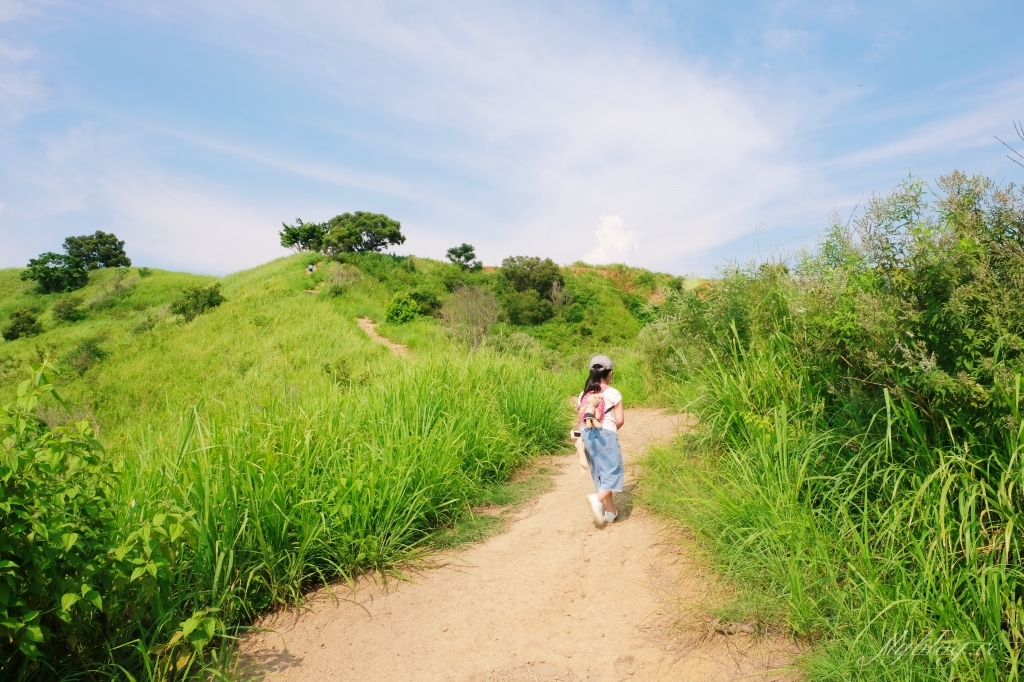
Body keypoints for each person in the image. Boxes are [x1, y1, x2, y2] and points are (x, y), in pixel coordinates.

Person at [578, 355, 624, 526]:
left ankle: (610, 511)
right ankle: (597, 500)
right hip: (606, 435)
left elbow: (582, 419)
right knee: (614, 471)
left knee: (600, 473)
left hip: (587, 435)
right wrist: (609, 432)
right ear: (610, 372)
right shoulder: (612, 392)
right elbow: (619, 420)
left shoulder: (583, 394)